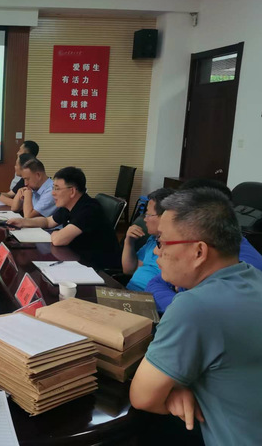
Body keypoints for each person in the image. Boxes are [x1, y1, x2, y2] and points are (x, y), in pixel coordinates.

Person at [130, 188, 262, 446]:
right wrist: (180, 386)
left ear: (199, 252)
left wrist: (173, 388)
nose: (156, 252)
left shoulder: (196, 307)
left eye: (162, 242)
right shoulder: (254, 277)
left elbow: (143, 397)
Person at [146, 179, 262, 312]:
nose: (157, 251)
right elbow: (155, 283)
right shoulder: (189, 250)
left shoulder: (244, 266)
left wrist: (182, 305)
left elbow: (201, 310)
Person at [8, 166, 121, 269]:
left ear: (72, 191)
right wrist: (23, 222)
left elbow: (58, 240)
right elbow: (48, 221)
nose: (53, 193)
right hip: (76, 257)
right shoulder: (69, 206)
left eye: (57, 188)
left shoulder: (89, 209)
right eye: (53, 188)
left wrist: (56, 233)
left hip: (97, 268)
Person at [122, 188, 174, 291]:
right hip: (130, 292)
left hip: (150, 298)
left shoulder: (176, 248)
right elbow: (129, 270)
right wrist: (128, 242)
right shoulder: (153, 239)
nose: (145, 219)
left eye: (148, 215)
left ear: (165, 216)